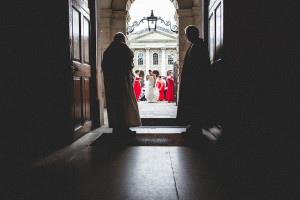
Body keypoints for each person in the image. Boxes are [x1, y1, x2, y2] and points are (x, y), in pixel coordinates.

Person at [101, 32, 141, 136]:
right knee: (124, 103)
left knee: (114, 104)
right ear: (123, 39)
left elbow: (104, 66)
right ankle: (124, 128)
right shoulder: (123, 47)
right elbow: (130, 60)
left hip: (111, 82)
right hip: (121, 80)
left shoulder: (108, 50)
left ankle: (116, 127)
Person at [176, 25, 214, 135]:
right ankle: (193, 126)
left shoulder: (199, 45)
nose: (187, 36)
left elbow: (201, 66)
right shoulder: (194, 45)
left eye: (188, 34)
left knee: (195, 105)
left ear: (193, 34)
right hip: (192, 81)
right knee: (192, 105)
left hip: (196, 82)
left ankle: (196, 128)